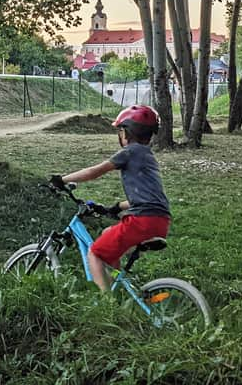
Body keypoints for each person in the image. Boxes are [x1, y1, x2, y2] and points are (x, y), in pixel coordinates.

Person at [51, 105, 170, 292]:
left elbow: (94, 172)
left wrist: (62, 179)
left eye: (121, 130)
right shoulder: (148, 157)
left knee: (95, 254)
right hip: (160, 221)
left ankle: (107, 305)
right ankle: (117, 286)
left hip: (142, 221)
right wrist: (115, 208)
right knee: (108, 233)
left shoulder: (129, 152)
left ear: (126, 133)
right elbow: (147, 197)